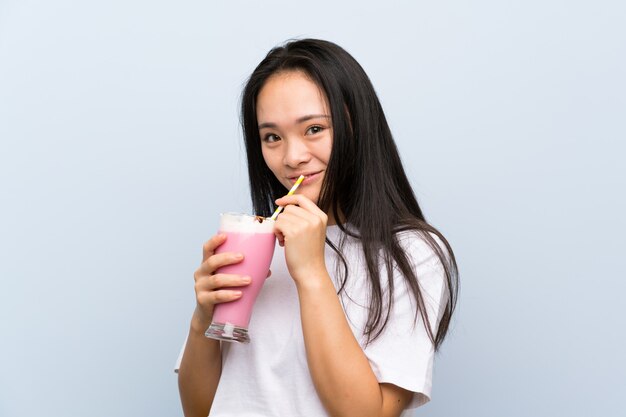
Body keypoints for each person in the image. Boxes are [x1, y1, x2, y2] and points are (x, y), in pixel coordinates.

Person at [176, 38, 459, 417]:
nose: (292, 157)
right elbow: (199, 410)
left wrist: (310, 272)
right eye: (272, 137)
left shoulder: (412, 254)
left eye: (313, 129)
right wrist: (202, 320)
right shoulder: (256, 244)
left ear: (357, 125)